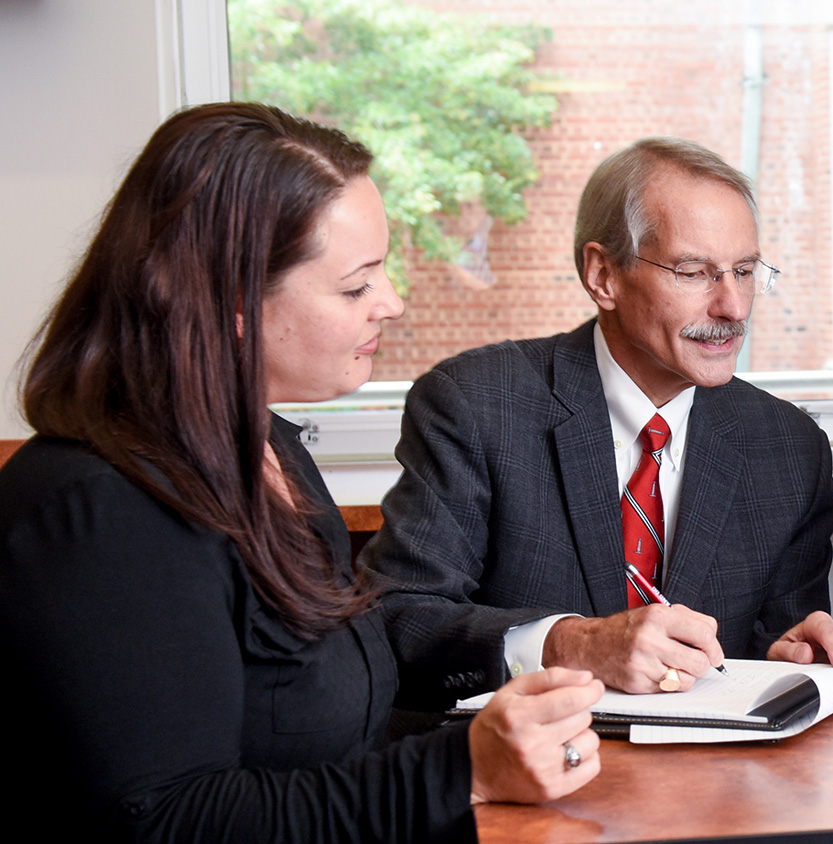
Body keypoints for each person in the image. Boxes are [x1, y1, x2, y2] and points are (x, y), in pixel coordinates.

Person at [0, 102, 603, 842]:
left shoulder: (270, 452)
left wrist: (559, 663)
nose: (393, 303)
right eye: (356, 286)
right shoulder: (104, 514)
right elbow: (167, 819)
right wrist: (461, 769)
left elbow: (335, 718)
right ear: (229, 303)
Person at [363, 137, 833, 702]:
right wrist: (570, 645)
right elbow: (397, 622)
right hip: (525, 774)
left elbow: (760, 658)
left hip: (717, 782)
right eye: (694, 272)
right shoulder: (476, 405)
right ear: (603, 275)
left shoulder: (789, 447)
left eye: (743, 271)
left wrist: (794, 655)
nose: (733, 307)